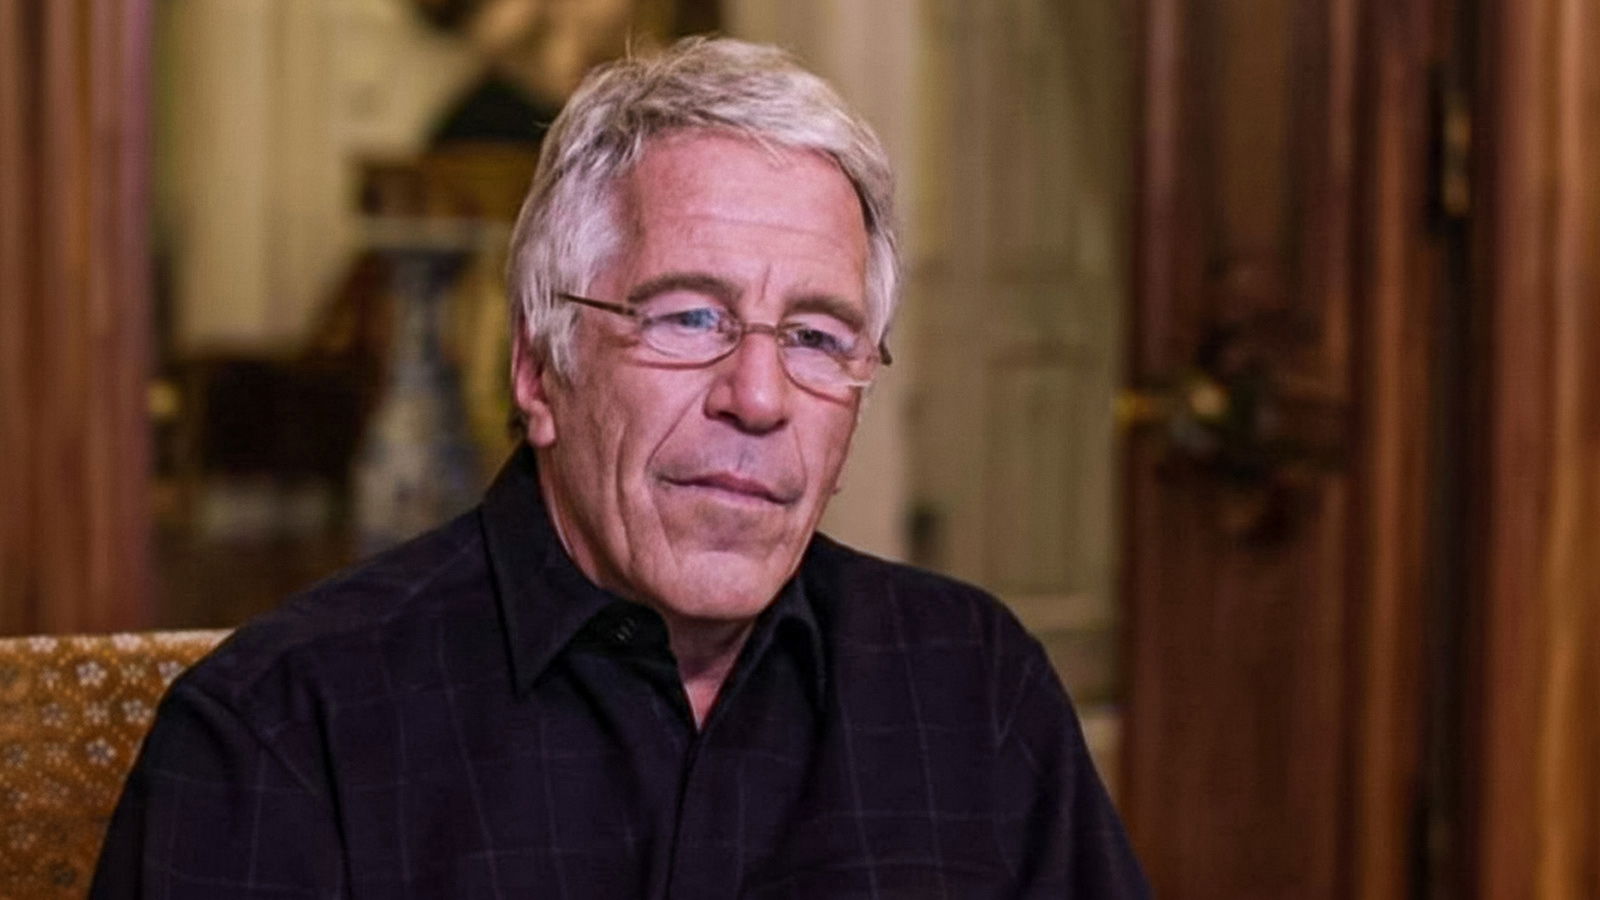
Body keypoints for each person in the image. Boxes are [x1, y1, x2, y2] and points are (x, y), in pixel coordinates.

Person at [92, 37, 1148, 898]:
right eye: (689, 317)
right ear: (538, 368)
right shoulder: (283, 735)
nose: (759, 397)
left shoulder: (971, 683)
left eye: (817, 337)